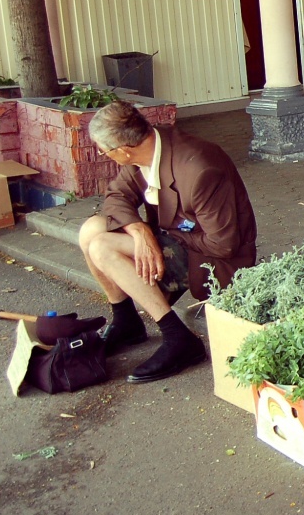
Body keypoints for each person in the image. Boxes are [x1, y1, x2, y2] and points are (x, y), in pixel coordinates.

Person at [78, 101, 257, 383]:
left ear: (123, 149)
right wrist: (140, 231)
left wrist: (164, 236)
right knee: (91, 230)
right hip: (176, 236)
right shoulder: (146, 148)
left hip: (213, 257)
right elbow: (116, 197)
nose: (104, 155)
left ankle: (179, 338)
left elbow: (225, 244)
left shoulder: (200, 168)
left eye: (105, 151)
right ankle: (126, 322)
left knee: (102, 247)